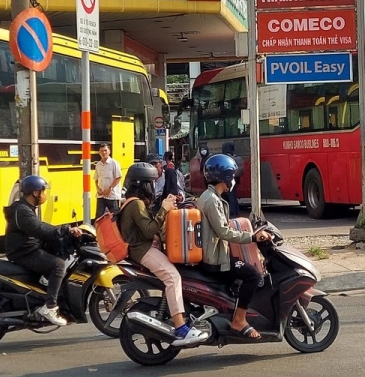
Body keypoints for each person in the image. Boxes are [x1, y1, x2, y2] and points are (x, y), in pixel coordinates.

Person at [116, 162, 207, 347]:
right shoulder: (136, 204)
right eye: (152, 183)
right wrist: (164, 209)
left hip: (144, 248)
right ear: (144, 185)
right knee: (172, 277)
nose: (154, 187)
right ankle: (181, 328)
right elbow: (149, 231)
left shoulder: (134, 203)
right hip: (142, 251)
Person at [197, 154, 272, 339]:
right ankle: (239, 320)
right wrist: (252, 237)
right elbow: (224, 232)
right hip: (215, 259)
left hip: (216, 253)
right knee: (253, 275)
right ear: (226, 178)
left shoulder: (210, 197)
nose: (234, 181)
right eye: (233, 177)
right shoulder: (212, 201)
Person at [4, 175, 83, 326]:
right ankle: (50, 307)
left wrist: (64, 229)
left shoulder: (25, 208)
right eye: (43, 191)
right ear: (35, 193)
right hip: (24, 252)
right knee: (58, 265)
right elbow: (39, 229)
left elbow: (41, 226)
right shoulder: (22, 211)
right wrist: (66, 230)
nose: (45, 194)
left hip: (27, 248)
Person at [94, 143, 123, 218]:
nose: (104, 153)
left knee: (114, 217)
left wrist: (110, 189)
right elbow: (96, 179)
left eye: (105, 150)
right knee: (99, 217)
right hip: (101, 196)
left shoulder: (114, 163)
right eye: (102, 151)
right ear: (99, 152)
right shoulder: (98, 165)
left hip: (112, 196)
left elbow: (118, 177)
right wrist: (98, 188)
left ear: (109, 151)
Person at [220, 142, 243, 218]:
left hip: (228, 180)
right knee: (233, 196)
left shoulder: (226, 158)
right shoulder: (236, 157)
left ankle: (232, 213)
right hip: (235, 179)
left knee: (230, 197)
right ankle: (237, 212)